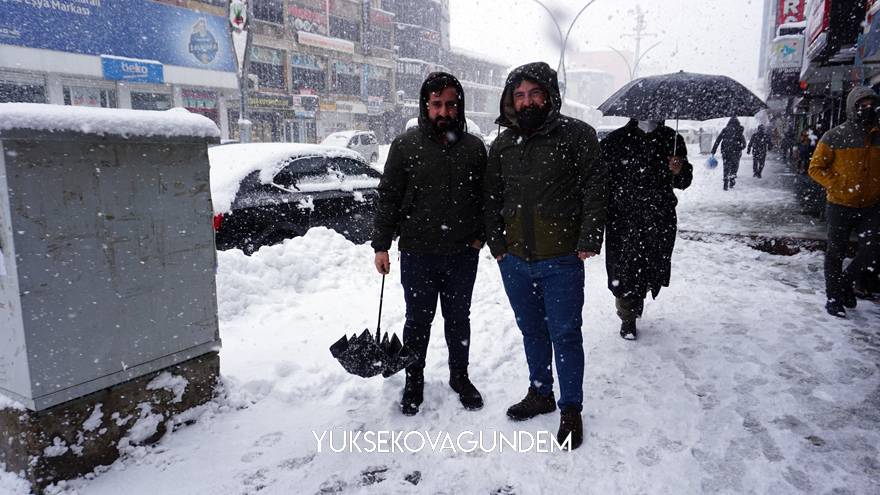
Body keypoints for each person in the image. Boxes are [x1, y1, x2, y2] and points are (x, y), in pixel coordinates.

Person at [484, 62, 607, 450]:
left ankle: (570, 407)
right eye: (519, 95)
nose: (526, 101)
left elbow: (595, 187)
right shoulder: (502, 144)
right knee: (531, 330)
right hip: (515, 261)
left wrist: (589, 236)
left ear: (549, 95)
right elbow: (490, 198)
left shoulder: (577, 136)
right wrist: (498, 247)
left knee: (565, 334)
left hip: (561, 260)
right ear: (510, 100)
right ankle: (540, 392)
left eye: (534, 93)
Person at [371, 72, 487, 416]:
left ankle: (459, 377)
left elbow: (487, 197)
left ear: (459, 106)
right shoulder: (406, 146)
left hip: (462, 254)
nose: (444, 111)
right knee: (417, 321)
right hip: (418, 254)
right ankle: (414, 379)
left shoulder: (473, 148)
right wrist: (381, 245)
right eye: (437, 104)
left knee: (457, 319)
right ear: (426, 106)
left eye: (450, 104)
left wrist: (481, 236)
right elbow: (388, 197)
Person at [600, 119, 693, 340]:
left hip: (658, 219)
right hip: (623, 220)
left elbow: (684, 181)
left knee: (651, 266)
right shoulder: (614, 141)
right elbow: (600, 180)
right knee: (624, 271)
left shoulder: (672, 139)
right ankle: (627, 317)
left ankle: (638, 298)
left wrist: (679, 170)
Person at [808, 86, 880, 318]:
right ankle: (834, 298)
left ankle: (845, 283)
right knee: (835, 252)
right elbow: (815, 168)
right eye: (862, 104)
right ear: (853, 107)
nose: (867, 108)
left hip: (871, 205)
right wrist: (838, 185)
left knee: (872, 249)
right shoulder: (835, 136)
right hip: (840, 204)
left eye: (871, 104)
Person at [711, 117, 746, 190]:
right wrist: (739, 147)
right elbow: (744, 144)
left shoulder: (725, 130)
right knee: (734, 167)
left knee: (726, 167)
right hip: (736, 153)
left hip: (725, 152)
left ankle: (725, 183)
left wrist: (713, 150)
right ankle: (732, 180)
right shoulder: (739, 130)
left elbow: (718, 140)